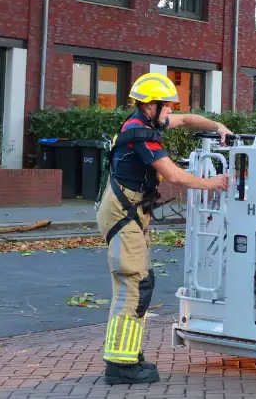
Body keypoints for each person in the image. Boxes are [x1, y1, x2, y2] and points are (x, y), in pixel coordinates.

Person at [98, 73, 231, 385]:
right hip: (123, 214)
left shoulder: (147, 122)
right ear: (150, 106)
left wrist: (218, 127)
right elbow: (174, 176)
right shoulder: (141, 135)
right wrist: (213, 183)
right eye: (167, 106)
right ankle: (120, 364)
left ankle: (127, 354)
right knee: (134, 284)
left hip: (131, 212)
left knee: (139, 283)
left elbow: (186, 120)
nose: (171, 111)